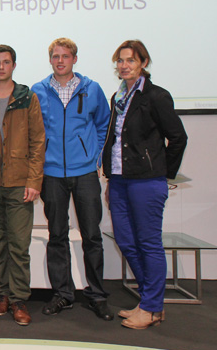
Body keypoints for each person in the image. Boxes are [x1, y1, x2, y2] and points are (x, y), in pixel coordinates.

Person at [102, 40, 187, 330]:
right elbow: (115, 140)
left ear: (143, 63)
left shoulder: (156, 96)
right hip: (119, 180)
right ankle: (150, 301)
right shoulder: (118, 97)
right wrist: (110, 178)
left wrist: (163, 172)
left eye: (130, 60)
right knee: (126, 241)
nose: (124, 65)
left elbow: (178, 138)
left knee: (148, 243)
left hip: (146, 181)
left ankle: (151, 307)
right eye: (120, 61)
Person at [31, 38, 113, 321]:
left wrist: (95, 157)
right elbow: (34, 132)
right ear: (50, 60)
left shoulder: (92, 89)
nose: (60, 61)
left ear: (74, 59)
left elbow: (103, 125)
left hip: (85, 173)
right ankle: (62, 294)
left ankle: (97, 295)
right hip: (52, 174)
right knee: (57, 235)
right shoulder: (38, 90)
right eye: (55, 56)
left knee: (92, 235)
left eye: (65, 56)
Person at [0, 44, 45, 326]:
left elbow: (38, 141)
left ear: (14, 65)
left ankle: (19, 299)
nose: (1, 66)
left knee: (18, 244)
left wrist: (34, 180)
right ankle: (2, 294)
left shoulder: (27, 97)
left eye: (6, 62)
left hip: (19, 182)